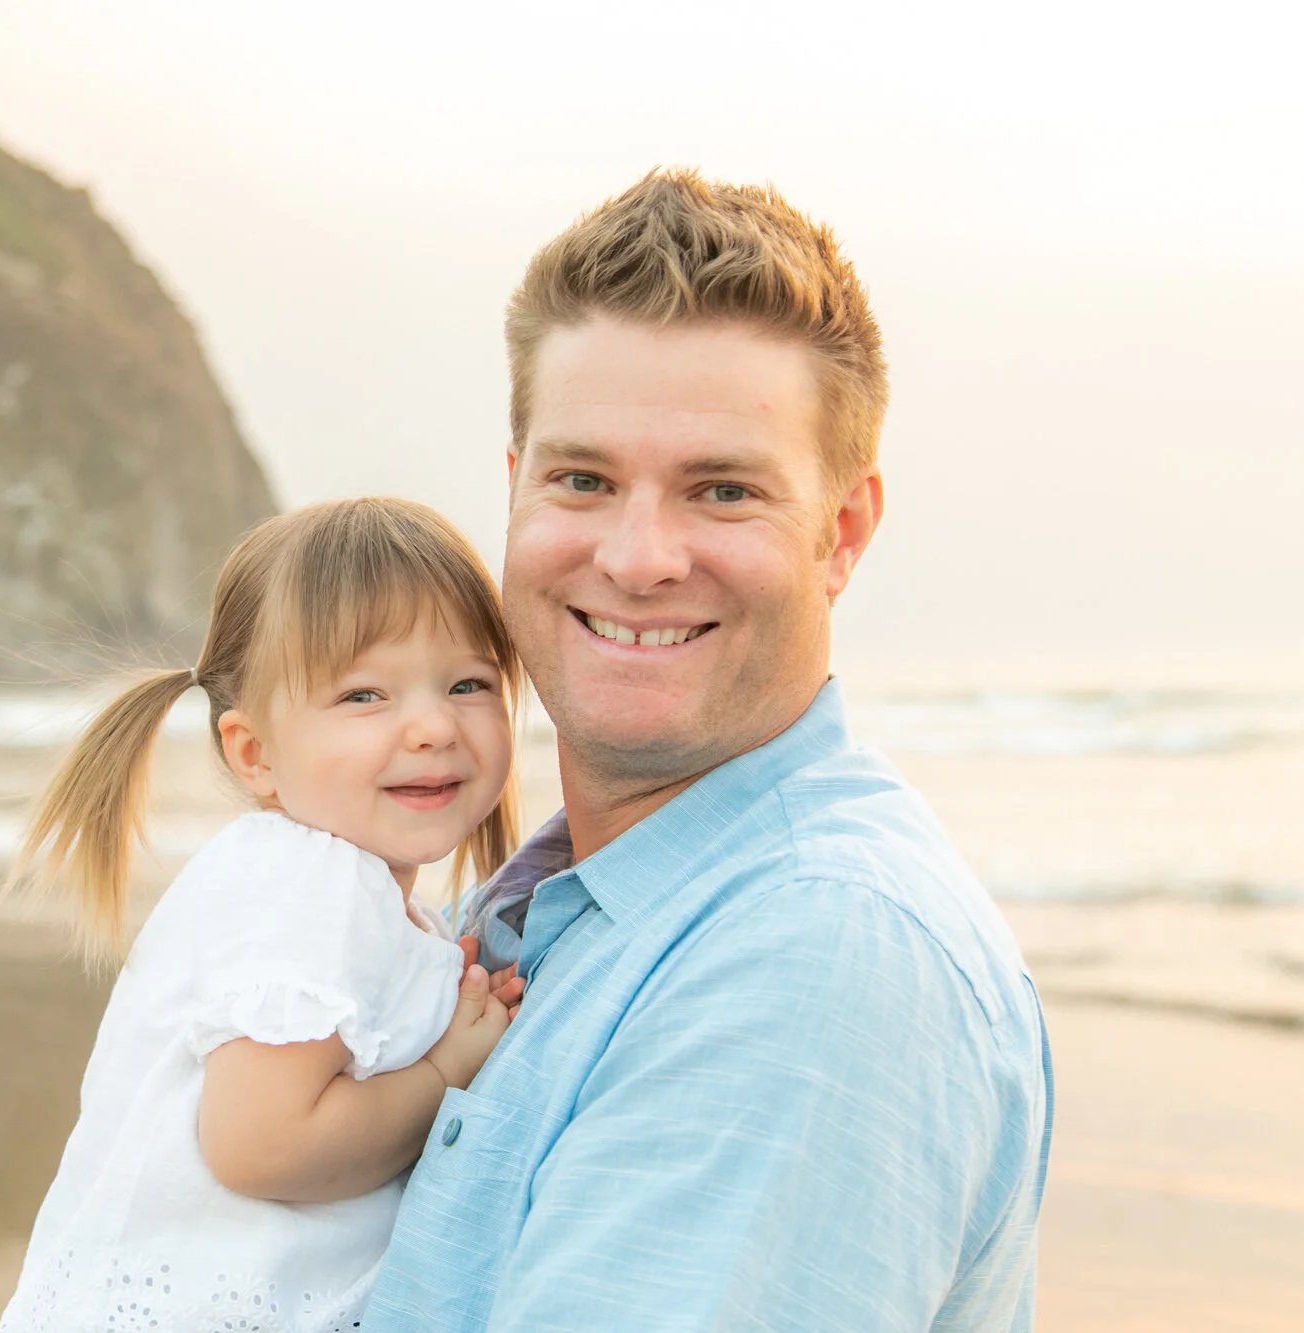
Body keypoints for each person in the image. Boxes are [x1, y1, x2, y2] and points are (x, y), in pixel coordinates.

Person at [363, 171, 1054, 1330]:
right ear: (515, 489)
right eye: (581, 479)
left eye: (720, 491)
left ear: (840, 533)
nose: (637, 558)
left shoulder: (815, 953)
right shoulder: (549, 906)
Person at [0, 497, 528, 1333]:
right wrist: (443, 1075)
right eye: (363, 695)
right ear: (255, 752)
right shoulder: (311, 887)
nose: (431, 725)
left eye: (468, 683)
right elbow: (263, 1144)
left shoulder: (350, 895)